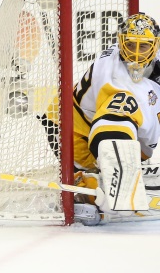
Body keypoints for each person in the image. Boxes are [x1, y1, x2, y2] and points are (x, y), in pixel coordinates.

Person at [41, 13, 160, 222]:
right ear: (121, 43)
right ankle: (86, 187)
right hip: (72, 130)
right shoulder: (114, 75)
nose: (136, 54)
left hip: (92, 123)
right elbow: (110, 126)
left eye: (143, 46)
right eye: (131, 45)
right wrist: (114, 180)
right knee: (120, 114)